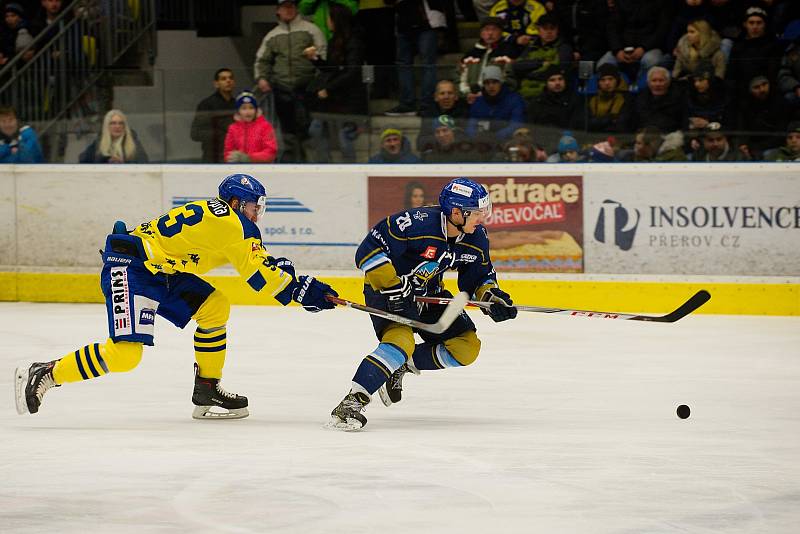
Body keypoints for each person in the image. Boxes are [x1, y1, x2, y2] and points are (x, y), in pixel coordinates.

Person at [15, 174, 339, 420]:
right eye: (255, 206)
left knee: (215, 307)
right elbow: (260, 275)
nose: (258, 214)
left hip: (160, 269)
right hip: (133, 268)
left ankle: (207, 389)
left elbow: (259, 263)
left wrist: (285, 274)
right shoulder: (236, 225)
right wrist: (300, 288)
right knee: (126, 355)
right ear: (239, 203)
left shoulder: (221, 217)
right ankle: (46, 372)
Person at [328, 178, 518, 430]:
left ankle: (404, 364)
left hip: (430, 294)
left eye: (484, 211)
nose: (482, 218)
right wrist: (392, 284)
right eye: (477, 213)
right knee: (400, 342)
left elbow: (478, 277)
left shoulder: (476, 236)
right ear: (456, 212)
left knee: (466, 348)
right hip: (388, 293)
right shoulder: (416, 223)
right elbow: (368, 250)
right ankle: (351, 404)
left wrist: (491, 297)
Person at [254, 0, 327, 162]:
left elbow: (323, 54)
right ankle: (292, 161)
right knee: (287, 128)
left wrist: (320, 82)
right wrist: (262, 78)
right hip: (282, 89)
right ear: (278, 10)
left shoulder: (311, 29)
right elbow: (262, 60)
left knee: (308, 127)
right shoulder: (272, 35)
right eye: (284, 7)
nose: (288, 10)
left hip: (308, 88)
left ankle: (310, 161)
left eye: (291, 6)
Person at [306, 3, 366, 163]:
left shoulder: (354, 42)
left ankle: (351, 171)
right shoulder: (334, 41)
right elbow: (331, 69)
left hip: (349, 100)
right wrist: (316, 59)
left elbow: (352, 72)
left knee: (344, 137)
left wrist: (328, 89)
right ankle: (324, 165)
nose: (328, 22)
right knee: (316, 129)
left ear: (337, 20)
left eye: (330, 18)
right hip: (333, 99)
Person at [383, 0, 446, 116]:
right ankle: (407, 104)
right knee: (403, 64)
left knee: (428, 64)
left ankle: (427, 105)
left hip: (427, 22)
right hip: (403, 22)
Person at [466, 65, 526, 144]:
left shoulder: (514, 100)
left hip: (507, 143)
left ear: (501, 83)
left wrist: (495, 136)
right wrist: (477, 136)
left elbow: (516, 124)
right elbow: (471, 126)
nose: (491, 86)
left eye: (494, 82)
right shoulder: (478, 102)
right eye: (487, 83)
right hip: (482, 145)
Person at [190, 67, 238, 163]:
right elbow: (195, 134)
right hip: (212, 157)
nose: (228, 81)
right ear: (216, 84)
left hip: (234, 156)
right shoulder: (207, 104)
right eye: (223, 79)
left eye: (230, 78)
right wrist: (220, 134)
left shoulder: (238, 105)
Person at [224, 91, 279, 163]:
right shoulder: (233, 128)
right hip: (238, 170)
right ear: (238, 111)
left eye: (251, 108)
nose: (248, 112)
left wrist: (249, 158)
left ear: (256, 110)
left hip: (261, 170)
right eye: (244, 108)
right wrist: (233, 158)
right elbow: (227, 153)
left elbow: (271, 153)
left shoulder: (265, 126)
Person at [417, 80, 470, 153]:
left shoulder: (465, 113)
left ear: (456, 96)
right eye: (442, 93)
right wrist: (439, 138)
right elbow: (420, 144)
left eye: (450, 93)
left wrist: (453, 137)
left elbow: (470, 140)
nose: (446, 97)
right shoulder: (429, 114)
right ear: (436, 97)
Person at [79, 109, 148, 163]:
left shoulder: (134, 143)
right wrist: (105, 161)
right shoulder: (98, 143)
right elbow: (82, 161)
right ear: (107, 126)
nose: (117, 126)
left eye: (120, 123)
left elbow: (144, 163)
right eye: (113, 123)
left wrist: (124, 163)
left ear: (124, 126)